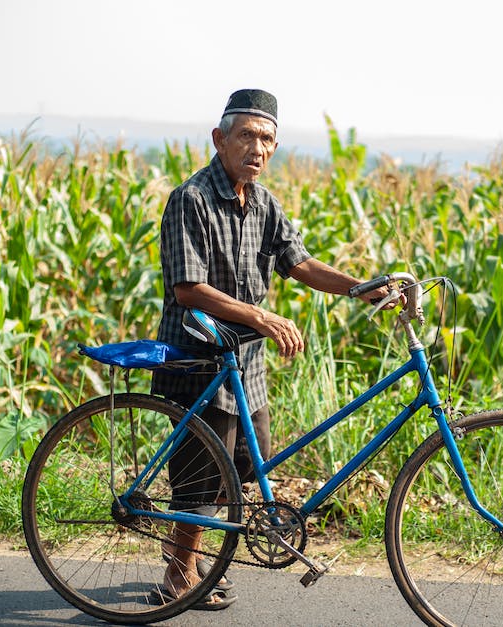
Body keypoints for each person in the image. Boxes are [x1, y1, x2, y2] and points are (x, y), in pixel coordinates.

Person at [151, 88, 389, 610]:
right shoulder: (190, 199)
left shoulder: (262, 202)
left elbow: (298, 263)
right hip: (197, 356)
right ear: (219, 139)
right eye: (245, 136)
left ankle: (194, 562)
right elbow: (187, 289)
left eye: (266, 139)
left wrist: (359, 286)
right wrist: (261, 315)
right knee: (200, 474)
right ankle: (178, 573)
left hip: (245, 363)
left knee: (238, 471)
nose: (256, 148)